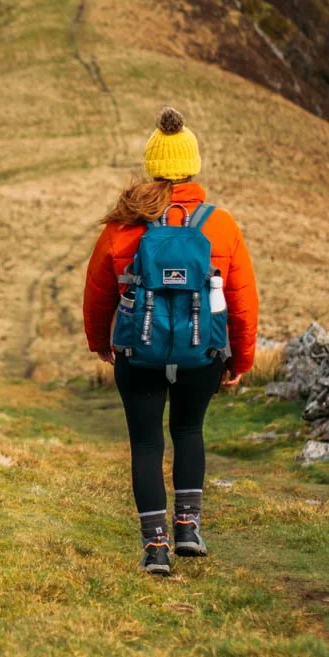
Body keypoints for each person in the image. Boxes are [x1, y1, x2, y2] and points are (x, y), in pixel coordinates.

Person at [82, 107, 258, 576]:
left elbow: (98, 291)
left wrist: (101, 342)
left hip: (138, 352)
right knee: (188, 432)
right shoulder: (221, 226)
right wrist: (240, 357)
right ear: (193, 166)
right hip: (201, 352)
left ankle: (155, 547)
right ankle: (188, 527)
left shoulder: (123, 225)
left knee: (145, 443)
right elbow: (241, 301)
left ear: (151, 165)